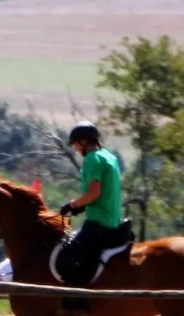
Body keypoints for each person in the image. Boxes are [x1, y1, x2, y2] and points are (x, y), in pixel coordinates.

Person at [55, 121, 129, 288]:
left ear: (83, 141)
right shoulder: (109, 157)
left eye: (75, 143)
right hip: (113, 220)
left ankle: (77, 296)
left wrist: (73, 205)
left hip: (98, 223)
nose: (75, 148)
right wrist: (83, 205)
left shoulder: (92, 159)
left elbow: (93, 193)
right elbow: (104, 193)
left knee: (69, 257)